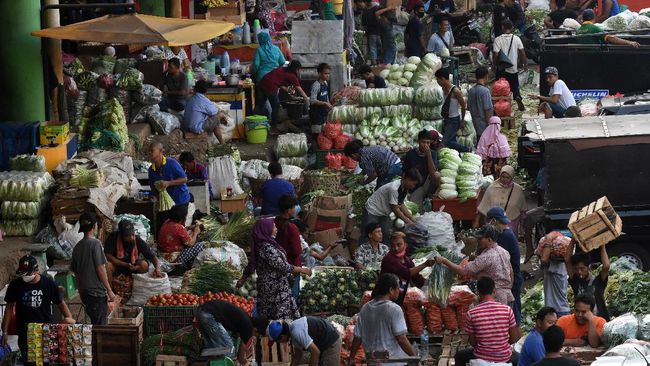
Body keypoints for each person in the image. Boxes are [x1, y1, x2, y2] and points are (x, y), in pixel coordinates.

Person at [2, 256, 76, 364]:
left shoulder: (48, 284)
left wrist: (70, 322)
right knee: (29, 361)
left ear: (36, 270)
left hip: (46, 332)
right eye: (23, 273)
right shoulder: (15, 285)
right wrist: (4, 331)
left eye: (27, 274)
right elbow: (8, 308)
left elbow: (61, 304)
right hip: (25, 333)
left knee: (47, 360)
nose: (25, 277)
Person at [238, 218, 311, 319]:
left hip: (272, 287)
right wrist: (301, 269)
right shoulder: (267, 248)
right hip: (275, 289)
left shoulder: (263, 245)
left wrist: (243, 278)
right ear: (266, 229)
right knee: (280, 318)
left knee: (272, 317)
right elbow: (282, 266)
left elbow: (252, 263)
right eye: (273, 226)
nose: (276, 228)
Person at [347, 273, 416, 366]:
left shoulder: (366, 308)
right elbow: (401, 339)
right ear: (391, 290)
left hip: (372, 362)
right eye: (397, 288)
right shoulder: (394, 309)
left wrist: (351, 358)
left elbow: (357, 337)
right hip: (392, 363)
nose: (399, 291)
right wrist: (414, 358)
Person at [435, 225, 514, 305]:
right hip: (509, 296)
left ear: (489, 239)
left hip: (496, 298)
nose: (477, 241)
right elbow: (511, 273)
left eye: (480, 239)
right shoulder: (504, 252)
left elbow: (462, 271)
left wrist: (444, 260)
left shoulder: (486, 257)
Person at [454, 277, 522, 366]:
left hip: (481, 356)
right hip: (504, 357)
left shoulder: (471, 313)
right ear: (494, 291)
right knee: (518, 357)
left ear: (478, 292)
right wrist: (500, 345)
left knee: (459, 356)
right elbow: (513, 338)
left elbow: (473, 343)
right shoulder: (507, 310)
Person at [70, 212, 116, 325]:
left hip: (85, 293)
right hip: (96, 293)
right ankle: (97, 343)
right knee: (100, 327)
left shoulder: (77, 247)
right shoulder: (95, 244)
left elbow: (76, 274)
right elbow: (100, 269)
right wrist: (109, 291)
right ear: (94, 226)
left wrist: (80, 291)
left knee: (93, 323)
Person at [195, 300, 269, 365]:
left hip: (201, 312)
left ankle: (204, 356)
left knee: (215, 350)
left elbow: (235, 338)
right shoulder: (248, 327)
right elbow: (241, 356)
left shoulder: (246, 319)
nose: (255, 336)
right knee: (229, 349)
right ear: (256, 329)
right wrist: (245, 362)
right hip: (208, 315)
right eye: (258, 334)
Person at [486, 207, 523, 324]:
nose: (504, 225)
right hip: (511, 277)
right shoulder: (505, 233)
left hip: (512, 278)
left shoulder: (505, 235)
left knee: (513, 312)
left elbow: (497, 258)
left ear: (493, 221)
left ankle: (516, 337)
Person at [364, 170, 422, 242]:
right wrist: (408, 222)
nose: (413, 187)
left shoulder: (404, 188)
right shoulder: (394, 188)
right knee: (369, 235)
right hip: (373, 210)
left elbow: (401, 204)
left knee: (385, 233)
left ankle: (384, 251)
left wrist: (412, 218)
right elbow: (395, 209)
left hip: (383, 212)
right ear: (407, 179)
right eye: (413, 184)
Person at [380, 232, 435, 304]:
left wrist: (433, 282)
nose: (396, 248)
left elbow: (418, 280)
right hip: (385, 299)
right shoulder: (389, 259)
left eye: (399, 245)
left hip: (399, 298)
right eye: (393, 246)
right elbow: (407, 273)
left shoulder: (407, 261)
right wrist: (425, 264)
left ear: (405, 245)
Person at [257, 61, 309, 132]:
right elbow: (299, 89)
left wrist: (287, 90)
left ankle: (257, 125)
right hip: (270, 87)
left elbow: (277, 82)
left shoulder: (281, 69)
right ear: (296, 69)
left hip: (262, 83)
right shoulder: (292, 75)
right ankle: (273, 128)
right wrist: (307, 99)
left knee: (261, 106)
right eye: (298, 69)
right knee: (276, 106)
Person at [476, 165, 527, 238]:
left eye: (507, 177)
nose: (504, 179)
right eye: (503, 177)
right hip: (494, 223)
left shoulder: (518, 190)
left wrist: (522, 228)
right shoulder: (492, 187)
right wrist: (477, 221)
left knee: (509, 241)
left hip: (512, 222)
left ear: (512, 177)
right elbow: (484, 204)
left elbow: (522, 209)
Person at [268, 317, 342, 366]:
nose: (281, 343)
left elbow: (315, 352)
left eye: (278, 341)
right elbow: (298, 355)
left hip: (332, 341)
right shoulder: (292, 331)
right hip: (324, 343)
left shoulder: (296, 331)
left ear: (281, 337)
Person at [567, 244, 610, 320]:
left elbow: (606, 266)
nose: (579, 272)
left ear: (589, 267)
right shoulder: (575, 281)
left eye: (582, 268)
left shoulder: (598, 281)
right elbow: (567, 260)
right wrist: (573, 239)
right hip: (581, 320)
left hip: (599, 319)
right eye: (576, 269)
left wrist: (602, 246)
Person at [157, 204, 205, 270]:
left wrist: (189, 228)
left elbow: (177, 232)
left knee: (190, 236)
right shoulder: (179, 228)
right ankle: (183, 265)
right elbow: (190, 243)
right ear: (182, 218)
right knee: (200, 245)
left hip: (162, 255)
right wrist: (196, 232)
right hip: (173, 259)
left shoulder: (167, 222)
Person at [493, 20, 527, 112]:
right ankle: (517, 97)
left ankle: (501, 106)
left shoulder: (498, 39)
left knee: (501, 89)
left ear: (502, 27)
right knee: (515, 87)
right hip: (513, 68)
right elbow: (522, 52)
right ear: (512, 28)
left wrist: (494, 64)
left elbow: (496, 54)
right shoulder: (516, 39)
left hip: (501, 68)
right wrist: (524, 64)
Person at [435, 68, 471, 153]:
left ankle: (467, 149)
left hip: (454, 120)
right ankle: (458, 155)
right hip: (447, 119)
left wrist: (462, 120)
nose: (437, 82)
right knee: (452, 141)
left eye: (438, 80)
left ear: (443, 79)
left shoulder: (455, 91)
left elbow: (463, 105)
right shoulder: (443, 89)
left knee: (445, 142)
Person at [275, 195, 303, 300]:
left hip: (277, 266)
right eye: (294, 207)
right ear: (288, 210)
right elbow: (297, 251)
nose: (295, 209)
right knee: (292, 297)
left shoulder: (274, 223)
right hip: (291, 267)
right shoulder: (291, 227)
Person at [181, 79, 227, 144]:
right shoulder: (202, 99)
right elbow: (214, 112)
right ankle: (222, 143)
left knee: (213, 119)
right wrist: (221, 115)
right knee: (217, 117)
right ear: (206, 91)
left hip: (186, 126)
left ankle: (219, 142)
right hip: (195, 128)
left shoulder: (191, 98)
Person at [403, 130, 440, 208]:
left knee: (436, 175)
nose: (426, 145)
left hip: (427, 184)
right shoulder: (411, 153)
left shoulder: (433, 153)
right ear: (418, 141)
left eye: (428, 143)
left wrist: (429, 155)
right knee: (414, 207)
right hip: (414, 185)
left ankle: (430, 195)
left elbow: (433, 172)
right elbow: (404, 172)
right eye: (423, 142)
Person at [148, 142, 191, 207]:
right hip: (166, 204)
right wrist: (157, 198)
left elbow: (184, 179)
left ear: (160, 151)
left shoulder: (172, 163)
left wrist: (169, 183)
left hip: (180, 200)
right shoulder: (151, 170)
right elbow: (153, 187)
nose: (150, 153)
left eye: (152, 150)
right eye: (149, 151)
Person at [539, 235, 571, 317]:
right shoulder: (554, 265)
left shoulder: (558, 267)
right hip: (555, 310)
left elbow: (544, 259)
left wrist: (549, 240)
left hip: (559, 311)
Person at [576, 9, 640, 46]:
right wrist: (629, 42)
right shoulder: (593, 28)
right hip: (595, 58)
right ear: (593, 18)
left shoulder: (578, 31)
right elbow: (610, 38)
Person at [467, 66, 494, 139]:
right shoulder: (485, 91)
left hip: (472, 125)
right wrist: (490, 126)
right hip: (483, 126)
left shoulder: (471, 90)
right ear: (486, 76)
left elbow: (468, 108)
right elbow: (488, 110)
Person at [310, 63, 333, 134]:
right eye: (325, 73)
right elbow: (312, 101)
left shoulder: (326, 83)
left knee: (324, 134)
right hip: (316, 115)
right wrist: (325, 103)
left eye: (328, 73)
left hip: (324, 114)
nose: (328, 75)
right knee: (317, 135)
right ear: (319, 74)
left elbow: (326, 97)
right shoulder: (316, 85)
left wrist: (329, 104)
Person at [362, 0, 382, 65]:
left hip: (371, 33)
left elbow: (364, 23)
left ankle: (374, 64)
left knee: (373, 49)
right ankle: (379, 64)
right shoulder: (376, 8)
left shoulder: (365, 10)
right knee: (379, 48)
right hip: (378, 32)